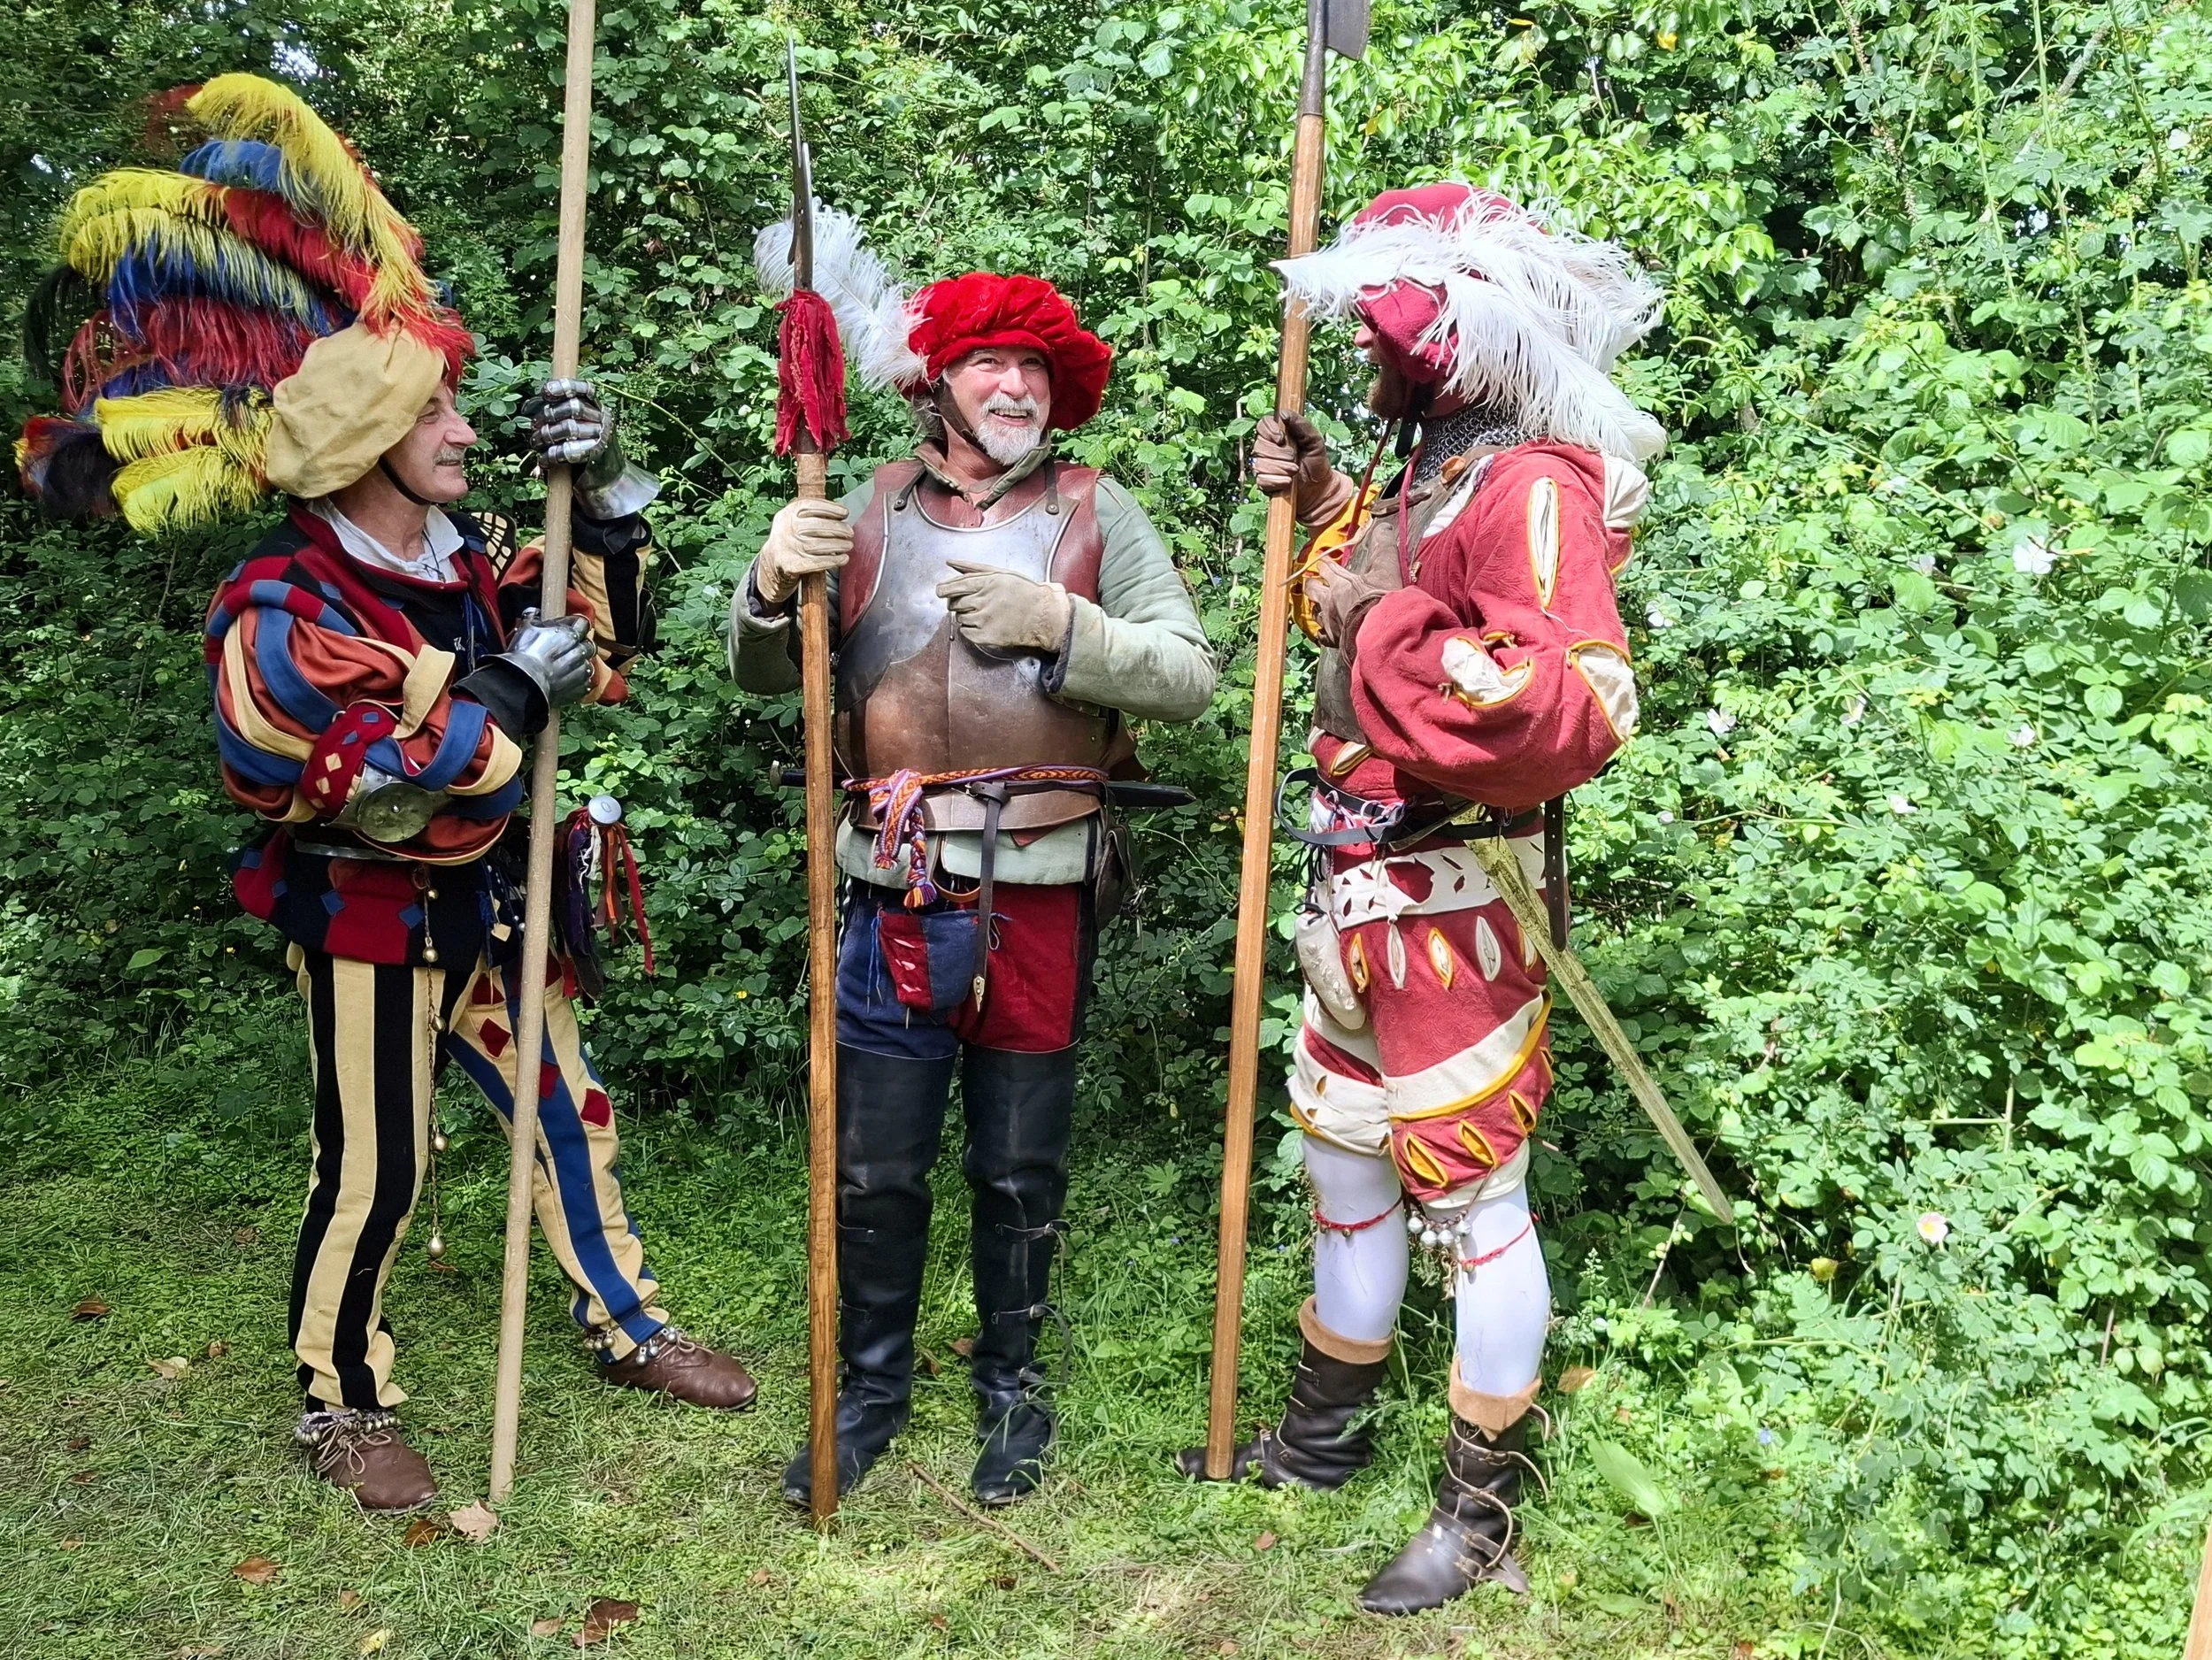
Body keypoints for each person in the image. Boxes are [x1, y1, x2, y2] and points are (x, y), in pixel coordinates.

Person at [16, 75, 756, 1514]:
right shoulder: (282, 599)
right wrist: (510, 698)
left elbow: (602, 638)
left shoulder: (468, 559)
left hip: (499, 906)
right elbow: (363, 784)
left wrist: (601, 495)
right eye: (440, 409)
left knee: (569, 1118)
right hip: (369, 920)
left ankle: (631, 1326)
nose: (469, 431)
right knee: (378, 1166)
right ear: (366, 437)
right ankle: (343, 1398)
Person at [1179, 182, 1665, 1614]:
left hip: (1456, 904)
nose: (1366, 359)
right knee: (1343, 1163)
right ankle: (1325, 1434)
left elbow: (1571, 693)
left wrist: (1375, 624)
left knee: (1476, 1205)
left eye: (1385, 337)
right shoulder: (1428, 470)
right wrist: (1326, 494)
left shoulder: (1534, 488)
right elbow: (1379, 577)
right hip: (1355, 897)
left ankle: (1479, 1510)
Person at [731, 265, 1216, 1507]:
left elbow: (1188, 677)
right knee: (877, 1163)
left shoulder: (1101, 514)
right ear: (935, 379)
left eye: (1037, 368)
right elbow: (758, 673)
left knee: (1017, 1162)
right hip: (892, 880)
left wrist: (1063, 622)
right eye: (991, 363)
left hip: (1041, 885)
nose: (1016, 385)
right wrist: (774, 581)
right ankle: (871, 1389)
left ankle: (1012, 1386)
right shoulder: (867, 511)